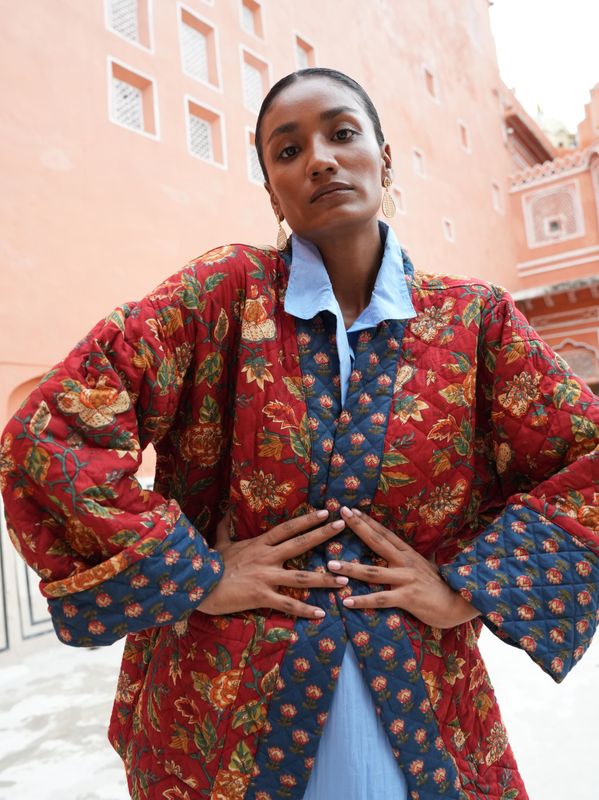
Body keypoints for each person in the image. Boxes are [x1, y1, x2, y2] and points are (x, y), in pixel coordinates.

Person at [1, 67, 598, 800]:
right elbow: (51, 434)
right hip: (220, 710)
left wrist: (468, 590)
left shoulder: (476, 321)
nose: (318, 158)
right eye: (286, 151)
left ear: (383, 158)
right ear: (271, 192)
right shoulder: (219, 294)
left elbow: (586, 461)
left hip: (420, 706)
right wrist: (195, 573)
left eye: (342, 134)